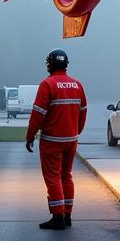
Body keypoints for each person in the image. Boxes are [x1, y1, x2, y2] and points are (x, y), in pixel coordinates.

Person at [25, 48, 87, 231]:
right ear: (66, 64)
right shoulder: (77, 85)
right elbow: (83, 111)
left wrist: (30, 136)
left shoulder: (47, 84)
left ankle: (57, 216)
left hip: (52, 140)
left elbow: (38, 114)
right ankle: (67, 214)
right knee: (66, 175)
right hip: (71, 139)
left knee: (53, 177)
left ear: (49, 65)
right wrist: (76, 131)